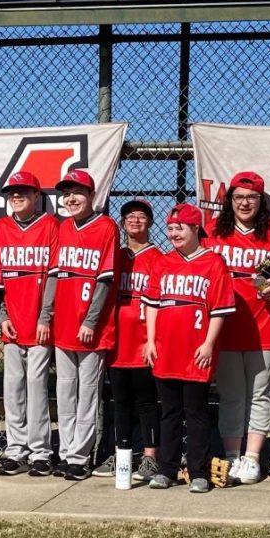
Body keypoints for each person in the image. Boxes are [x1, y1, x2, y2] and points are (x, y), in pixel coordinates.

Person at [204, 171, 270, 484]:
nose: (245, 203)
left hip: (264, 325)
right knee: (231, 395)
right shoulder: (213, 231)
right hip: (226, 327)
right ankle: (232, 456)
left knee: (259, 394)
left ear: (261, 201)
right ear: (229, 201)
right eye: (239, 197)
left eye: (252, 197)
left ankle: (253, 457)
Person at [143, 203, 235, 493]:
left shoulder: (213, 262)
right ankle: (167, 469)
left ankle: (198, 471)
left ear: (195, 228)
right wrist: (149, 340)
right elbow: (153, 306)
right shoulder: (163, 262)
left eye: (179, 228)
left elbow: (220, 309)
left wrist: (209, 344)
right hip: (165, 349)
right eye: (170, 228)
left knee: (195, 411)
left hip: (196, 351)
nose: (173, 233)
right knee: (169, 411)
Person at [47, 169, 119, 481]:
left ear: (91, 196)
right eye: (67, 193)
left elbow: (104, 281)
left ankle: (79, 457)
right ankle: (65, 452)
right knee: (65, 392)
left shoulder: (106, 226)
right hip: (62, 324)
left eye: (78, 192)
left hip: (91, 327)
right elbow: (53, 275)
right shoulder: (62, 227)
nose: (71, 198)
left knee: (87, 393)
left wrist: (90, 320)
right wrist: (45, 316)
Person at [0, 171, 60, 477]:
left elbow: (55, 276)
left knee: (36, 387)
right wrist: (3, 317)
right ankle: (16, 449)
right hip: (13, 322)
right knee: (13, 388)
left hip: (40, 321)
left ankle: (41, 451)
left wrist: (46, 317)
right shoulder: (1, 227)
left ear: (36, 196)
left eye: (23, 192)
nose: (16, 197)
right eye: (12, 193)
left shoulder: (50, 225)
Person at [93, 198, 162, 481]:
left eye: (141, 216)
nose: (135, 221)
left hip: (144, 341)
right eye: (130, 216)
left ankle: (150, 457)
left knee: (146, 401)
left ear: (150, 223)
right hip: (117, 340)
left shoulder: (159, 258)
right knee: (119, 401)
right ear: (122, 223)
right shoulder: (115, 256)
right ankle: (121, 454)